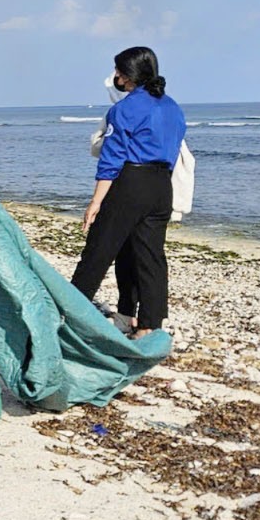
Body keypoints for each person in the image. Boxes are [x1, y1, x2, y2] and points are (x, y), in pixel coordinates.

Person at [72, 46, 185, 339]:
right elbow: (173, 152)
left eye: (118, 71)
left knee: (99, 251)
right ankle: (149, 326)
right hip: (162, 185)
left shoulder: (123, 109)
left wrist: (95, 202)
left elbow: (111, 159)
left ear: (126, 76)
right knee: (150, 256)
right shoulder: (173, 108)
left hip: (131, 181)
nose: (116, 76)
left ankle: (69, 314)